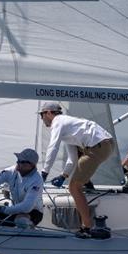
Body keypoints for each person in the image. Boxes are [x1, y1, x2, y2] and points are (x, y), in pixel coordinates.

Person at [39, 102, 115, 239]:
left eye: (41, 114)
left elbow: (53, 147)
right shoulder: (68, 126)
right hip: (104, 144)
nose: (41, 118)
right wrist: (64, 175)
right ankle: (87, 187)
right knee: (75, 183)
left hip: (96, 146)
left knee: (74, 187)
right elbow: (72, 158)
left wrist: (44, 172)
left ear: (49, 112)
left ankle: (87, 227)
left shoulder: (58, 121)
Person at [0, 148, 44, 226]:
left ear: (31, 165)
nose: (18, 162)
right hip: (14, 208)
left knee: (22, 222)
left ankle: (29, 233)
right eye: (18, 160)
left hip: (33, 212)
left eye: (21, 161)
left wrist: (4, 210)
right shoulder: (11, 171)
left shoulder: (36, 180)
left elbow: (27, 207)